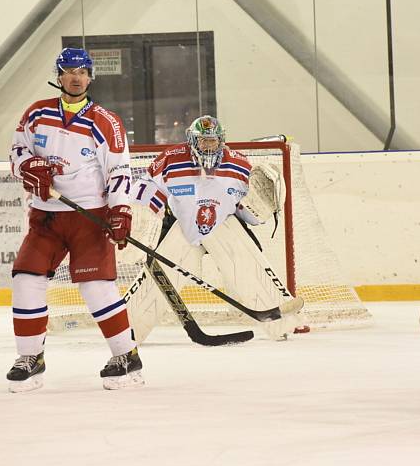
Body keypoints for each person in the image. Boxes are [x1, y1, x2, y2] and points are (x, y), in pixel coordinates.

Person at [7, 47, 142, 392]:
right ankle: (30, 357)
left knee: (96, 286)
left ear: (90, 77)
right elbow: (17, 150)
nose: (76, 78)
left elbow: (119, 170)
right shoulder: (37, 114)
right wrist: (27, 166)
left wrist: (120, 210)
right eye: (69, 72)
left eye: (82, 72)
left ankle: (126, 356)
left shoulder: (105, 121)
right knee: (26, 279)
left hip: (89, 216)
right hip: (46, 217)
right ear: (59, 75)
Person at [126, 115, 304, 343]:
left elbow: (248, 212)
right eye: (203, 140)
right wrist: (141, 215)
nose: (208, 145)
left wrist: (259, 211)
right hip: (183, 227)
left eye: (213, 140)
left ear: (221, 140)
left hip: (223, 226)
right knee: (160, 275)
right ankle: (130, 330)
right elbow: (148, 184)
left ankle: (282, 324)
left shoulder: (239, 164)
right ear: (192, 140)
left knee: (246, 265)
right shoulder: (172, 159)